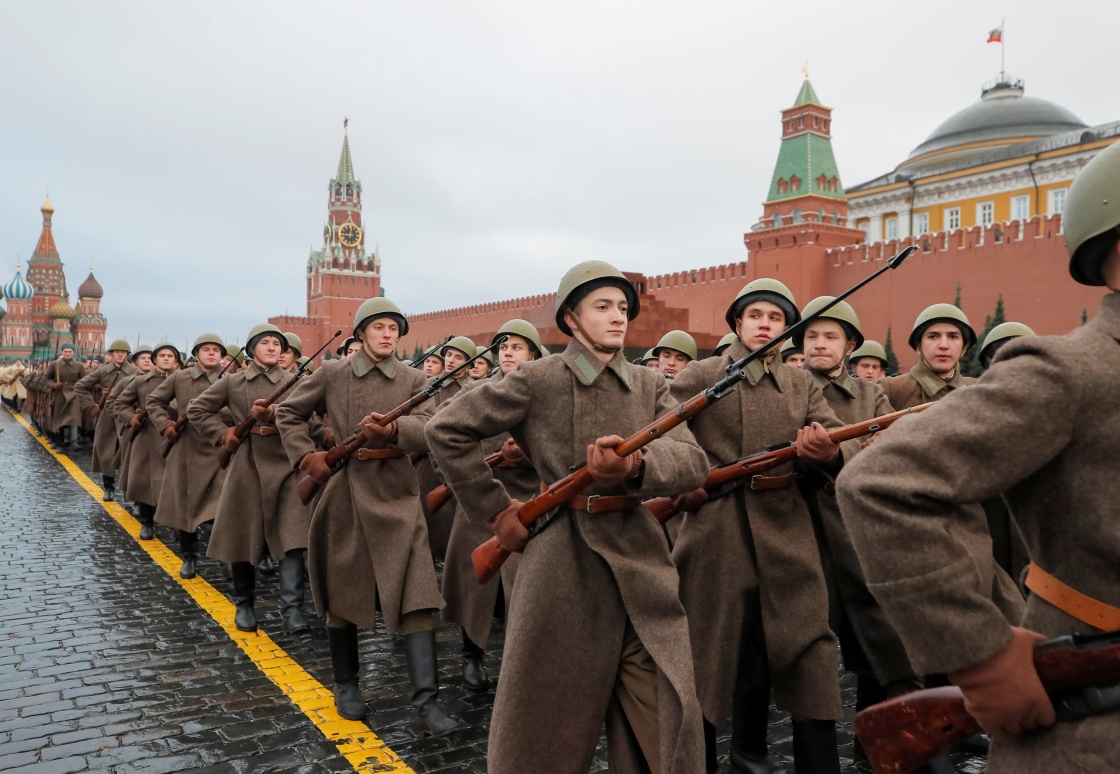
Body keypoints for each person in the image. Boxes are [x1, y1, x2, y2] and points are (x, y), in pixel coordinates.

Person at [836, 139, 1120, 774]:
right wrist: (983, 657)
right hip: (1094, 726)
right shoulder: (1073, 370)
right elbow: (881, 483)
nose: (944, 345)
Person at [427, 261, 709, 774]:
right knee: (544, 729)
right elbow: (447, 429)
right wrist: (495, 511)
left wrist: (638, 464)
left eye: (623, 308)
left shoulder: (649, 386)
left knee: (665, 726)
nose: (617, 317)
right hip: (561, 565)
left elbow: (693, 462)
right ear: (571, 320)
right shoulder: (538, 379)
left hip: (638, 565)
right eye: (602, 307)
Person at [669, 278, 858, 774]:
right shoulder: (700, 376)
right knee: (705, 662)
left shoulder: (801, 383)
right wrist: (683, 482)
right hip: (716, 533)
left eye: (775, 319)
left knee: (812, 655)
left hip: (787, 531)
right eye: (755, 316)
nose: (765, 325)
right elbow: (662, 436)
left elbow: (837, 436)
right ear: (737, 322)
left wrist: (831, 453)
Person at [276, 298, 462, 736]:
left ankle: (427, 702)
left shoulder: (415, 378)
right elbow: (288, 411)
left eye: (392, 328)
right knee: (344, 597)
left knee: (418, 599)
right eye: (377, 327)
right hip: (346, 491)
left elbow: (431, 426)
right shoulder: (333, 373)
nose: (386, 335)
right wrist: (306, 458)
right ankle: (346, 685)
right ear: (360, 333)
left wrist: (396, 431)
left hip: (398, 495)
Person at [794, 297, 921, 726]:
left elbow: (892, 442)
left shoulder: (870, 392)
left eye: (831, 337)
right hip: (801, 527)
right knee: (809, 645)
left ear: (849, 346)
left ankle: (888, 737)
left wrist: (855, 450)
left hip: (859, 530)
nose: (819, 345)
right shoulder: (788, 388)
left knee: (883, 636)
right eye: (812, 336)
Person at [440, 319, 544, 693]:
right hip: (484, 501)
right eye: (503, 347)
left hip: (531, 503)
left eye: (517, 346)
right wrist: (465, 479)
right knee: (475, 590)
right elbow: (440, 432)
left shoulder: (545, 390)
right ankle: (472, 657)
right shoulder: (478, 390)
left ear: (532, 353)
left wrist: (526, 457)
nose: (508, 353)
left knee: (523, 593)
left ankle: (520, 664)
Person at [187, 324, 311, 634]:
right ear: (251, 348)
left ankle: (292, 610)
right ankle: (244, 605)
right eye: (265, 343)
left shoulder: (296, 382)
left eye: (277, 344)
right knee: (243, 539)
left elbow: (315, 417)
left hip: (286, 465)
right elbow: (199, 409)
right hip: (247, 468)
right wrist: (223, 434)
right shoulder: (234, 382)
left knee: (293, 541)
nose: (272, 348)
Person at [147, 334, 230, 579]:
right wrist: (166, 426)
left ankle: (225, 556)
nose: (212, 353)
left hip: (219, 449)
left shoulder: (230, 380)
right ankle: (189, 556)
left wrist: (207, 409)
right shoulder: (180, 377)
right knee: (186, 507)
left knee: (222, 506)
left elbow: (238, 410)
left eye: (216, 350)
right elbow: (154, 401)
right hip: (188, 448)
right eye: (206, 349)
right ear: (196, 353)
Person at [111, 343, 182, 539]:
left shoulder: (183, 381)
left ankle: (175, 522)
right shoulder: (140, 381)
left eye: (170, 356)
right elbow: (120, 403)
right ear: (154, 360)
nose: (166, 358)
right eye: (162, 355)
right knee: (145, 482)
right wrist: (131, 418)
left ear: (176, 361)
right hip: (147, 436)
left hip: (175, 435)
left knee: (174, 482)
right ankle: (147, 522)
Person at [881, 304, 976, 410]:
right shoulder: (892, 390)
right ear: (918, 346)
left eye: (953, 337)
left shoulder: (978, 389)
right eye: (933, 337)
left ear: (963, 349)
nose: (944, 345)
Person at [75, 340, 137, 500]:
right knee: (105, 451)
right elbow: (80, 386)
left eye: (123, 352)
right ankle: (108, 487)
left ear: (128, 354)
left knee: (130, 452)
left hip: (127, 414)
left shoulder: (136, 372)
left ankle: (130, 491)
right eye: (117, 352)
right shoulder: (102, 371)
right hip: (107, 415)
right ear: (111, 354)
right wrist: (90, 405)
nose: (120, 354)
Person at [45, 344, 86, 449]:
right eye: (65, 351)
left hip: (74, 394)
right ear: (62, 352)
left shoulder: (79, 366)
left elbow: (85, 380)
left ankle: (74, 441)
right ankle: (60, 442)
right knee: (60, 418)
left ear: (73, 352)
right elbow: (46, 379)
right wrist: (54, 385)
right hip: (60, 394)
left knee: (74, 417)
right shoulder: (55, 365)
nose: (68, 354)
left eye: (70, 351)